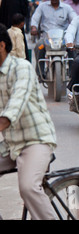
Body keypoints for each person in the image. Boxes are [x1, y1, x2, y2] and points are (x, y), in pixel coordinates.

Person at [0, 24, 57, 220]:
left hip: (36, 140)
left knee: (28, 187)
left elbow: (16, 103)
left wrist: (2, 122)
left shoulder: (21, 68)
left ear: (1, 46)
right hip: (10, 143)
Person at [31, 0, 77, 78]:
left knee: (72, 48)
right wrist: (34, 28)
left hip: (63, 38)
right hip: (46, 38)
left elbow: (75, 19)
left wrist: (76, 27)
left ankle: (73, 72)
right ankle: (40, 73)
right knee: (38, 47)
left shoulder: (66, 8)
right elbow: (35, 19)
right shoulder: (42, 6)